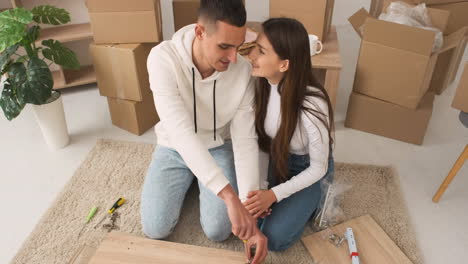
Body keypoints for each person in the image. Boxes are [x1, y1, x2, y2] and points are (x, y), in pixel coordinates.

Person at [140, 0, 267, 263]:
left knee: (220, 231)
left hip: (217, 145)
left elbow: (245, 141)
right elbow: (180, 133)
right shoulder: (163, 59)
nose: (233, 57)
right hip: (173, 147)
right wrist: (229, 196)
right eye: (224, 46)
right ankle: (199, 181)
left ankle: (203, 181)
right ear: (200, 32)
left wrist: (248, 210)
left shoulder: (242, 70)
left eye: (238, 45)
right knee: (155, 228)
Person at [244, 17, 335, 252]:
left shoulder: (312, 105)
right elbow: (262, 144)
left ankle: (317, 197)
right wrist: (263, 188)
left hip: (309, 168)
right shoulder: (261, 84)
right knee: (248, 219)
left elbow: (318, 167)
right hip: (278, 157)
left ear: (284, 65)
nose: (252, 55)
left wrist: (273, 194)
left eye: (261, 51)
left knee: (274, 239)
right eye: (255, 47)